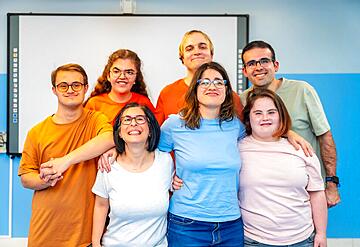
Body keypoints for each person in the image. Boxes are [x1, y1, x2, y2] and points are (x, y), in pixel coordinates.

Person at [18, 63, 115, 247]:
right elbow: (25, 178)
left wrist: (65, 161)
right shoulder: (36, 132)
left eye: (76, 85)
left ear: (86, 88)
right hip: (44, 233)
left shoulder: (96, 120)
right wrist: (44, 180)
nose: (70, 90)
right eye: (63, 85)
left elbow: (109, 138)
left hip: (83, 237)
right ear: (54, 90)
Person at [239, 40, 340, 207]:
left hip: (307, 190)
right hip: (264, 194)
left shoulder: (302, 90)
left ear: (276, 65)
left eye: (264, 61)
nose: (258, 67)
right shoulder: (242, 100)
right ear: (245, 71)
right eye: (251, 63)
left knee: (313, 233)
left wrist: (331, 183)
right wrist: (287, 132)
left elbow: (325, 137)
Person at [159, 61, 245, 246]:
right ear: (195, 89)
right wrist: (169, 177)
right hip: (186, 223)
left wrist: (291, 134)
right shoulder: (175, 124)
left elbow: (263, 139)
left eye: (219, 82)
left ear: (226, 90)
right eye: (205, 82)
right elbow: (154, 156)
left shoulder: (235, 126)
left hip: (231, 224)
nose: (212, 86)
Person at [239, 89, 327, 247]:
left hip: (302, 239)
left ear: (281, 115)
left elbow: (317, 193)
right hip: (254, 240)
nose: (265, 118)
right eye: (258, 113)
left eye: (271, 112)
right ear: (248, 118)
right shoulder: (237, 151)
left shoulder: (302, 149)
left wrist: (321, 234)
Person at [92, 103, 173, 247]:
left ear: (150, 130)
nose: (133, 123)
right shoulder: (108, 165)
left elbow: (177, 187)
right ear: (119, 133)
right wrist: (96, 243)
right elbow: (101, 205)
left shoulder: (165, 162)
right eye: (127, 120)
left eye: (140, 119)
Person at [155, 30, 243, 125]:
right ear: (182, 58)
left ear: (211, 54)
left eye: (202, 47)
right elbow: (156, 133)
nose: (197, 52)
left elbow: (241, 135)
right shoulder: (167, 93)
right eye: (189, 49)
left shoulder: (229, 96)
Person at [85, 49, 155, 123]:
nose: (122, 77)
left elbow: (153, 132)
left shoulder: (144, 103)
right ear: (108, 75)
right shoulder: (94, 104)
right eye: (116, 71)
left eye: (129, 72)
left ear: (136, 78)